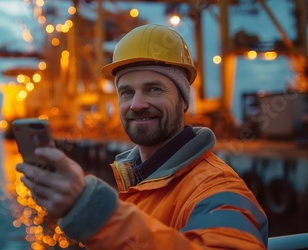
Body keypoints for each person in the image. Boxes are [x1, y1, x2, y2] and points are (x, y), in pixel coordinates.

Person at [16, 24, 268, 249]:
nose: (137, 104)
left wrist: (90, 207)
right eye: (126, 92)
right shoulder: (136, 180)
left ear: (183, 101)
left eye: (153, 89)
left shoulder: (217, 187)